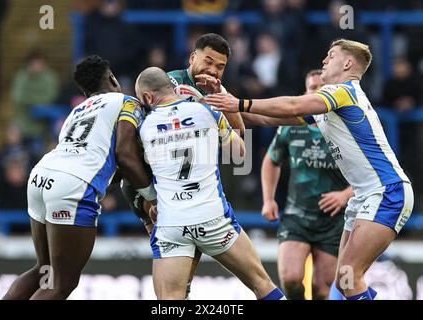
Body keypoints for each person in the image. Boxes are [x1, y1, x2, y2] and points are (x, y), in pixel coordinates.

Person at [205, 39, 414, 300]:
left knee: (349, 276)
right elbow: (266, 118)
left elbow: (292, 106)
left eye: (331, 55)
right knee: (345, 280)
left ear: (347, 63)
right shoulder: (334, 101)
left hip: (386, 191)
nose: (324, 60)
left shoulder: (344, 91)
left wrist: (239, 103)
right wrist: (214, 101)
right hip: (364, 196)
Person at [2, 55, 152, 300]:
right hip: (72, 185)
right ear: (113, 79)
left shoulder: (75, 112)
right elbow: (124, 154)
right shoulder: (127, 102)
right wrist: (151, 196)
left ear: (84, 91)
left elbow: (98, 160)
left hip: (41, 174)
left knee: (44, 270)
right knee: (62, 283)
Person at [132, 66, 286, 300]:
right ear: (174, 88)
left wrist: (151, 202)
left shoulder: (143, 128)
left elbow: (133, 171)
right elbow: (239, 152)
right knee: (261, 283)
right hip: (213, 218)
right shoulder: (206, 111)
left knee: (171, 300)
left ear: (147, 97)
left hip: (172, 223)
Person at [120, 33, 245, 298]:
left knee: (185, 263)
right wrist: (149, 197)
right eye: (208, 61)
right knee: (171, 249)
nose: (212, 70)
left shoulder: (216, 90)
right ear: (192, 57)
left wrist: (220, 93)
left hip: (189, 186)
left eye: (220, 67)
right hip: (152, 181)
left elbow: (239, 132)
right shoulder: (168, 83)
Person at [259, 69, 353, 300]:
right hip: (297, 215)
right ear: (305, 92)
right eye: (312, 88)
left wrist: (344, 195)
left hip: (333, 221)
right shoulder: (291, 127)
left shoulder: (348, 128)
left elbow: (370, 175)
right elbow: (271, 161)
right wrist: (268, 199)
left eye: (323, 88)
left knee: (322, 289)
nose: (317, 92)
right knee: (290, 280)